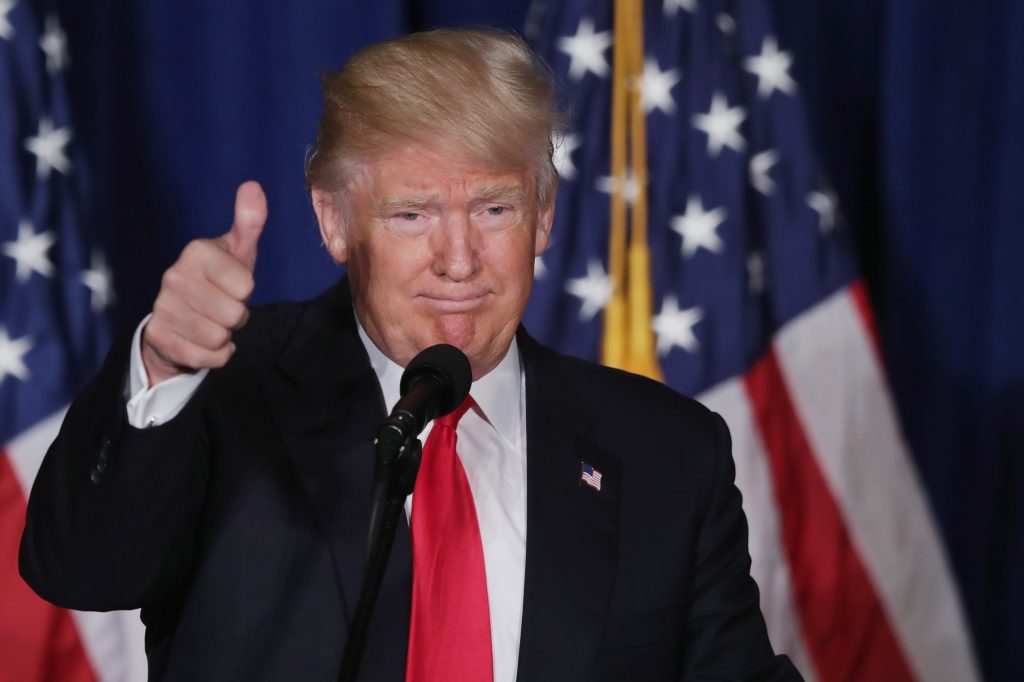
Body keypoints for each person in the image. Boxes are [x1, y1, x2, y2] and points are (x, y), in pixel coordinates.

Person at [20, 29, 801, 681]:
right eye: (412, 214)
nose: (458, 260)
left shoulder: (667, 452)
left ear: (544, 218)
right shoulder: (224, 391)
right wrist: (162, 364)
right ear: (334, 221)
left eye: (494, 208)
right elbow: (83, 571)